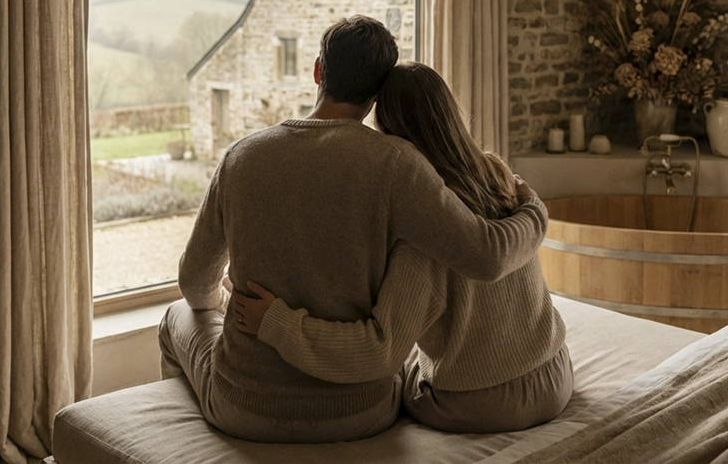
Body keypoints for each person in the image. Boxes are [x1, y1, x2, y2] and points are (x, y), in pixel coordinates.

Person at [159, 16, 549, 444]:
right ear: (377, 94)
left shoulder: (240, 158)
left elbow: (194, 283)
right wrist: (532, 209)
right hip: (364, 411)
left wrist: (223, 305)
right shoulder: (400, 165)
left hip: (244, 409)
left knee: (179, 315)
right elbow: (485, 255)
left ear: (317, 71)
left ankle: (172, 443)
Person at [232, 61, 571, 433]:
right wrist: (535, 208)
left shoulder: (425, 230)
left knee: (390, 378)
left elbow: (377, 351)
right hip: (555, 373)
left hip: (481, 404)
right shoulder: (498, 173)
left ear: (389, 132)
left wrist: (276, 323)